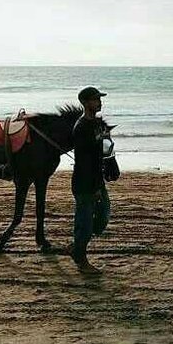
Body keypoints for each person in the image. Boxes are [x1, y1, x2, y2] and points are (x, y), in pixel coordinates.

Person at [70, 86, 112, 275]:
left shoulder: (96, 123)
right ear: (86, 103)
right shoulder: (81, 128)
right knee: (85, 224)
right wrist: (93, 187)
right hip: (85, 183)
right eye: (96, 99)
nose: (100, 101)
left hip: (97, 180)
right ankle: (80, 257)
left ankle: (77, 244)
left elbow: (101, 150)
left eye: (99, 98)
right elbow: (84, 162)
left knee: (103, 217)